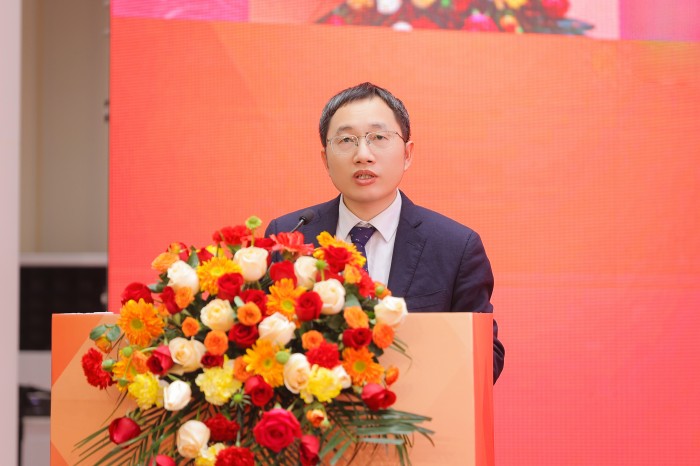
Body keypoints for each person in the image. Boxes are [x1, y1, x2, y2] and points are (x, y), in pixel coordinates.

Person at [265, 82, 504, 382]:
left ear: (407, 154)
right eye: (346, 140)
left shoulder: (455, 247)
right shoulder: (290, 236)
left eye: (378, 137)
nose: (363, 154)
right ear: (325, 160)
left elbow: (486, 357)